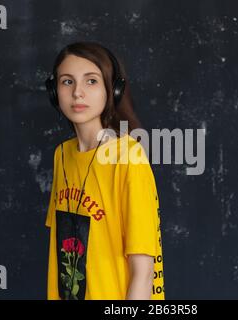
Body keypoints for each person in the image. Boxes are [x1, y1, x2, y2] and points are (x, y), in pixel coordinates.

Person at [44, 41, 165, 300]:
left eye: (91, 81)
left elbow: (144, 273)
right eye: (67, 82)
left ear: (113, 90)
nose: (78, 93)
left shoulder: (128, 156)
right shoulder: (61, 156)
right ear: (54, 92)